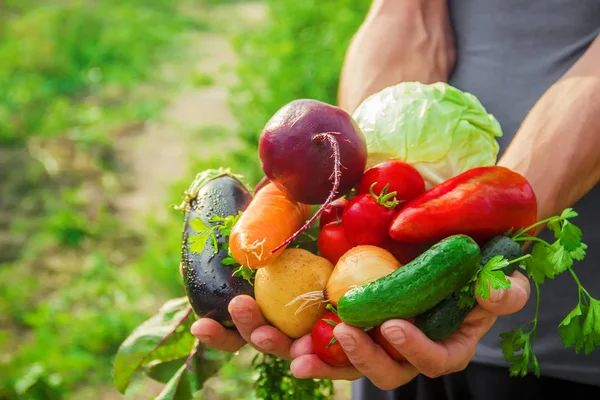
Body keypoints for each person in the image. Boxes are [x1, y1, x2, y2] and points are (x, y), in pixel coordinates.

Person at [189, 0, 600, 398]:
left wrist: (507, 208)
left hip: (559, 334)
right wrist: (351, 176)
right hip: (395, 304)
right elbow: (408, 13)